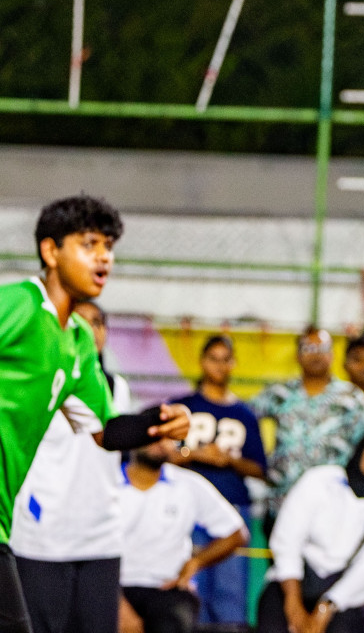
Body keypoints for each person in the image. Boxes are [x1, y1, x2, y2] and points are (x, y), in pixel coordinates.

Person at [0, 195, 191, 633]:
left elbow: (106, 432)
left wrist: (159, 421)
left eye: (109, 246)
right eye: (89, 244)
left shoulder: (78, 341)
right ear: (51, 251)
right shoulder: (21, 305)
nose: (104, 256)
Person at [10, 301, 135, 633]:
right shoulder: (36, 378)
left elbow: (115, 444)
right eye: (79, 321)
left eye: (97, 322)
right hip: (43, 536)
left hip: (101, 538)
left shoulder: (118, 388)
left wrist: (161, 422)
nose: (90, 329)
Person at [256, 430, 364, 633]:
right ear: (360, 449)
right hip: (291, 581)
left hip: (345, 597)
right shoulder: (320, 480)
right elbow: (287, 540)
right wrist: (294, 607)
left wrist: (324, 610)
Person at [170, 333, 267, 628]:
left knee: (230, 592)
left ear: (233, 363)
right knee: (189, 586)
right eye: (214, 359)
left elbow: (260, 468)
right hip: (187, 509)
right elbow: (160, 454)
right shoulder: (181, 406)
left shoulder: (244, 414)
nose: (220, 366)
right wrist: (196, 453)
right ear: (202, 361)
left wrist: (229, 461)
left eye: (226, 360)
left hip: (233, 507)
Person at [116, 438, 248, 633]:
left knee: (173, 622)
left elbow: (236, 533)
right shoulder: (106, 483)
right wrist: (118, 604)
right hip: (110, 586)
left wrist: (195, 563)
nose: (159, 443)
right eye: (152, 436)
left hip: (168, 588)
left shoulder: (187, 483)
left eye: (167, 438)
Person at [250, 327, 364, 526]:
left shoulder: (351, 399)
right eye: (309, 348)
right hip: (282, 502)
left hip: (331, 505)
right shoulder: (280, 393)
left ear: (331, 354)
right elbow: (245, 419)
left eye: (321, 348)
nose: (316, 354)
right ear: (297, 355)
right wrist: (260, 464)